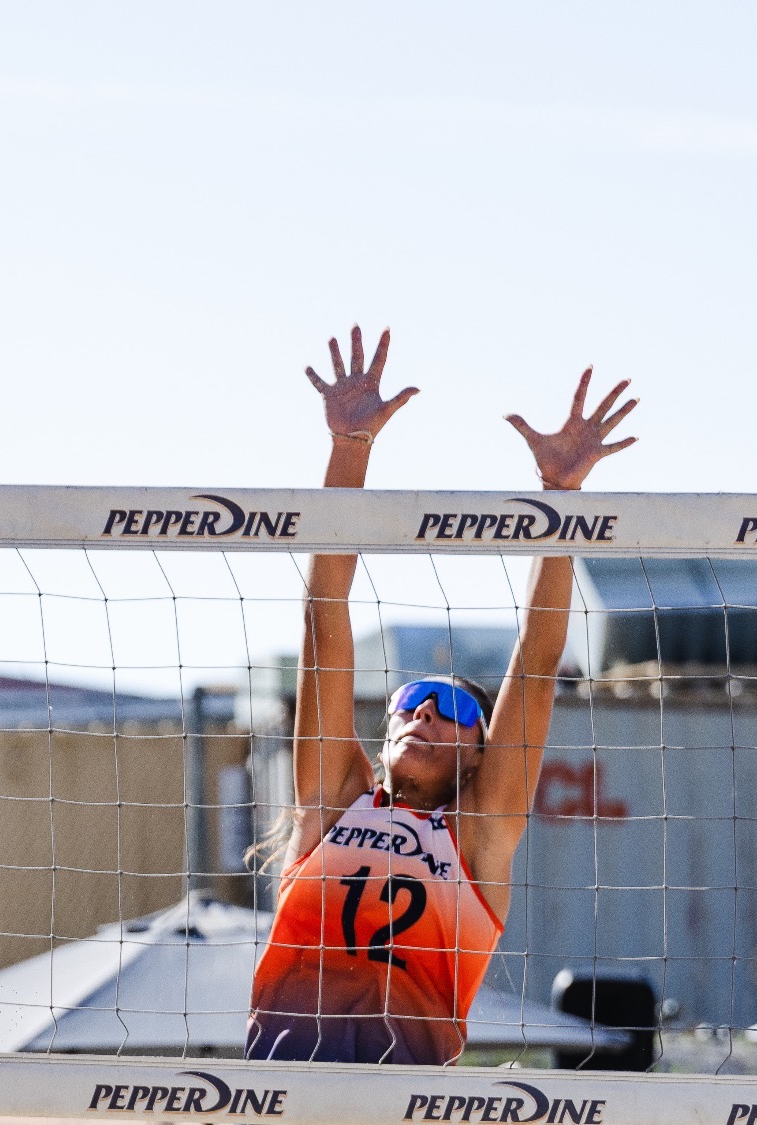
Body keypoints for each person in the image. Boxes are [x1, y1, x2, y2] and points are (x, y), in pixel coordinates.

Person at [246, 326, 638, 1065]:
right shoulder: (334, 801)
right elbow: (323, 612)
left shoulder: (479, 836)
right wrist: (350, 446)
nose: (426, 710)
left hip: (405, 1099)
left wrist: (561, 500)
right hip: (286, 1095)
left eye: (456, 708)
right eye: (412, 699)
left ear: (483, 751)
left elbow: (540, 657)